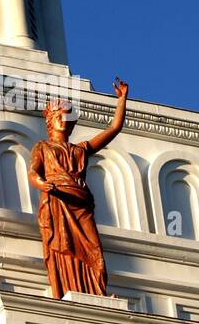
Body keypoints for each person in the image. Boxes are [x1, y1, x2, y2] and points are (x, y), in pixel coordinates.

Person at [28, 78, 129, 299]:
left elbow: (114, 128)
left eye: (67, 116)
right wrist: (42, 183)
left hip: (81, 205)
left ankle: (97, 292)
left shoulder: (81, 150)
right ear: (51, 120)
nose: (63, 120)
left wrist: (121, 100)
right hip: (58, 200)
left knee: (94, 252)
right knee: (64, 249)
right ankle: (67, 291)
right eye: (59, 116)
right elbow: (33, 172)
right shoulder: (43, 148)